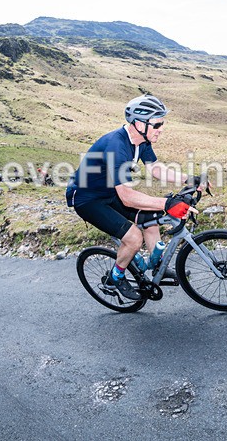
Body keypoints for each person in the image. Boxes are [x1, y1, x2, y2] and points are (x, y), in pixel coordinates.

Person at [66, 94, 202, 300]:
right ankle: (115, 278)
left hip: (109, 192)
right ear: (139, 123)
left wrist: (189, 179)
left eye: (162, 124)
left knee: (152, 218)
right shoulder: (116, 146)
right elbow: (127, 197)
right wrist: (168, 203)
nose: (161, 129)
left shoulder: (141, 141)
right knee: (133, 238)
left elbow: (155, 169)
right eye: (157, 125)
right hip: (88, 199)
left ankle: (158, 268)